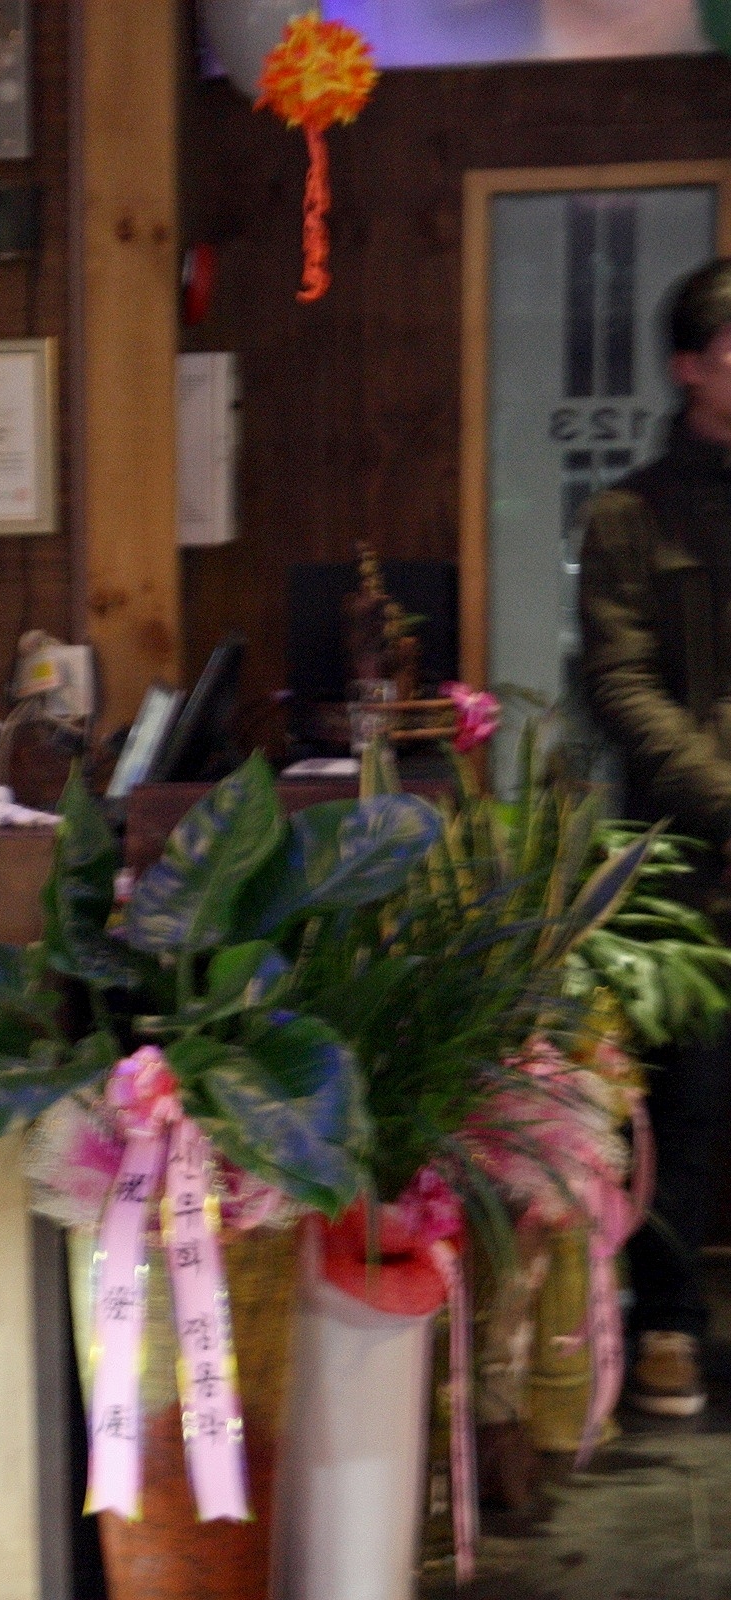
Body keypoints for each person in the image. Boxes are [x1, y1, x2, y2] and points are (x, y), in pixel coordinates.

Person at [581, 256, 731, 1419]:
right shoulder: (629, 516)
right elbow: (622, 686)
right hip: (689, 855)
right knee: (687, 1097)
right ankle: (667, 1322)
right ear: (688, 366)